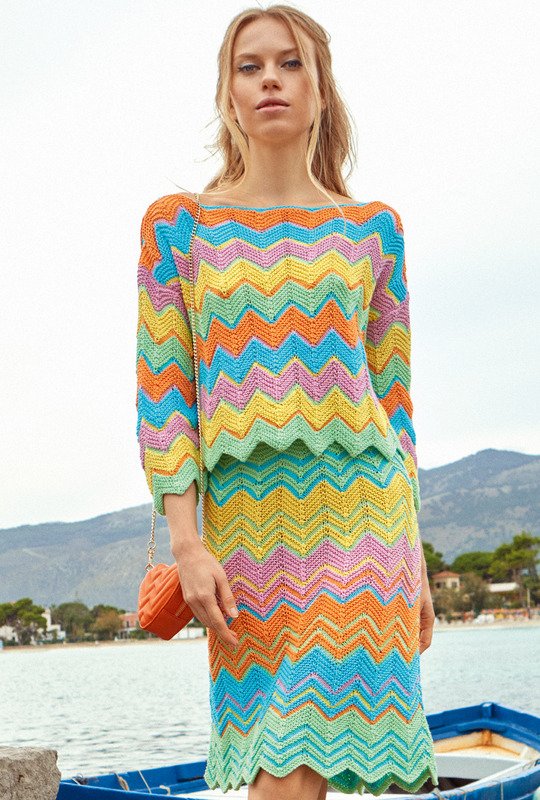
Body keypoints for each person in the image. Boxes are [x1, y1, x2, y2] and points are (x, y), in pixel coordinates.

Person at [136, 4, 439, 799]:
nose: (270, 78)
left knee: (297, 754)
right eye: (250, 66)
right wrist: (186, 543)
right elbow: (164, 396)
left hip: (367, 517)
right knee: (281, 761)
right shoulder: (180, 228)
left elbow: (396, 405)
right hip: (246, 531)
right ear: (229, 95)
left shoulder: (374, 231)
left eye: (290, 62)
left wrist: (417, 564)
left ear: (321, 89)